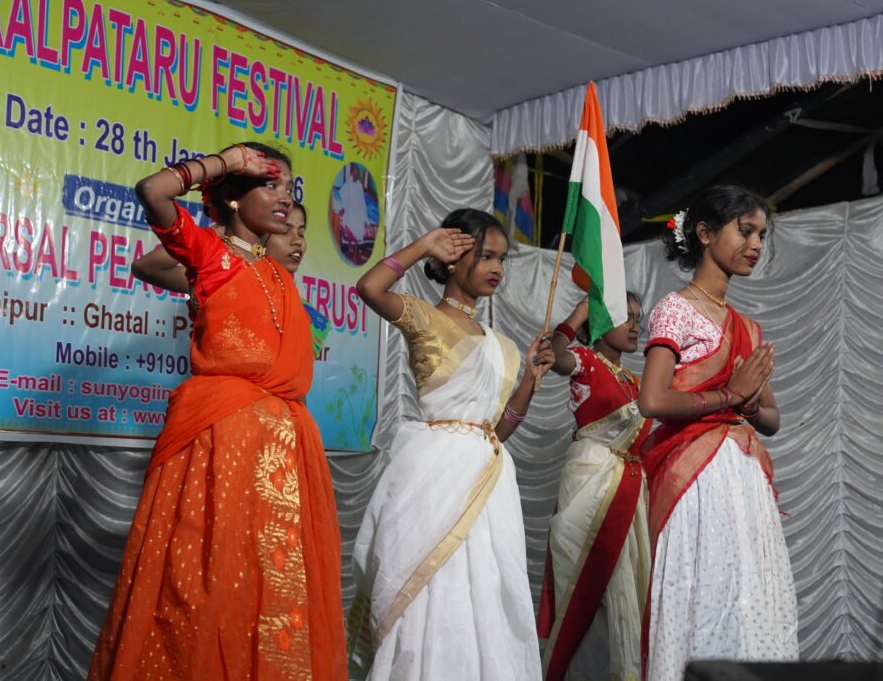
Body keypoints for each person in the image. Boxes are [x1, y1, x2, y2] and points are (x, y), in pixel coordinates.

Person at [89, 143, 346, 680]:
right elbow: (152, 192)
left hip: (287, 446)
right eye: (270, 186)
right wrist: (225, 163)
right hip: (223, 441)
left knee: (271, 584)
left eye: (289, 189)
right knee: (209, 581)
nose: (284, 199)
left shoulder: (277, 272)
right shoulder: (211, 255)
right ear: (232, 200)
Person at [347, 208, 553, 680]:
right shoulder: (424, 317)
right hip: (432, 478)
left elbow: (496, 431)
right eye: (485, 257)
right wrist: (423, 245)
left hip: (488, 482)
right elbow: (368, 288)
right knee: (429, 591)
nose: (496, 268)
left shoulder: (501, 345)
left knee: (485, 592)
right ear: (453, 257)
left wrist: (528, 382)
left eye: (502, 259)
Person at [637, 185, 798, 680]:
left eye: (761, 235)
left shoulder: (746, 327)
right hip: (695, 482)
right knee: (702, 589)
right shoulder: (674, 310)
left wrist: (747, 399)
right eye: (744, 231)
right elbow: (653, 401)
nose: (755, 245)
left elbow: (770, 419)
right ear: (704, 233)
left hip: (743, 480)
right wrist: (732, 396)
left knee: (750, 592)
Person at [538, 294, 653, 680]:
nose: (637, 326)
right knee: (588, 592)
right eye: (627, 318)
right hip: (590, 488)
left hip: (627, 494)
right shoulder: (585, 362)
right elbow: (554, 356)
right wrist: (579, 314)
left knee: (626, 594)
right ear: (601, 326)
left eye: (639, 319)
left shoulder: (637, 383)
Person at [132, 203, 327, 356]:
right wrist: (217, 235)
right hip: (227, 401)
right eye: (285, 231)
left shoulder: (307, 316)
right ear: (258, 234)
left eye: (301, 233)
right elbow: (146, 267)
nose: (297, 241)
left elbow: (296, 389)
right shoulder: (226, 280)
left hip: (278, 407)